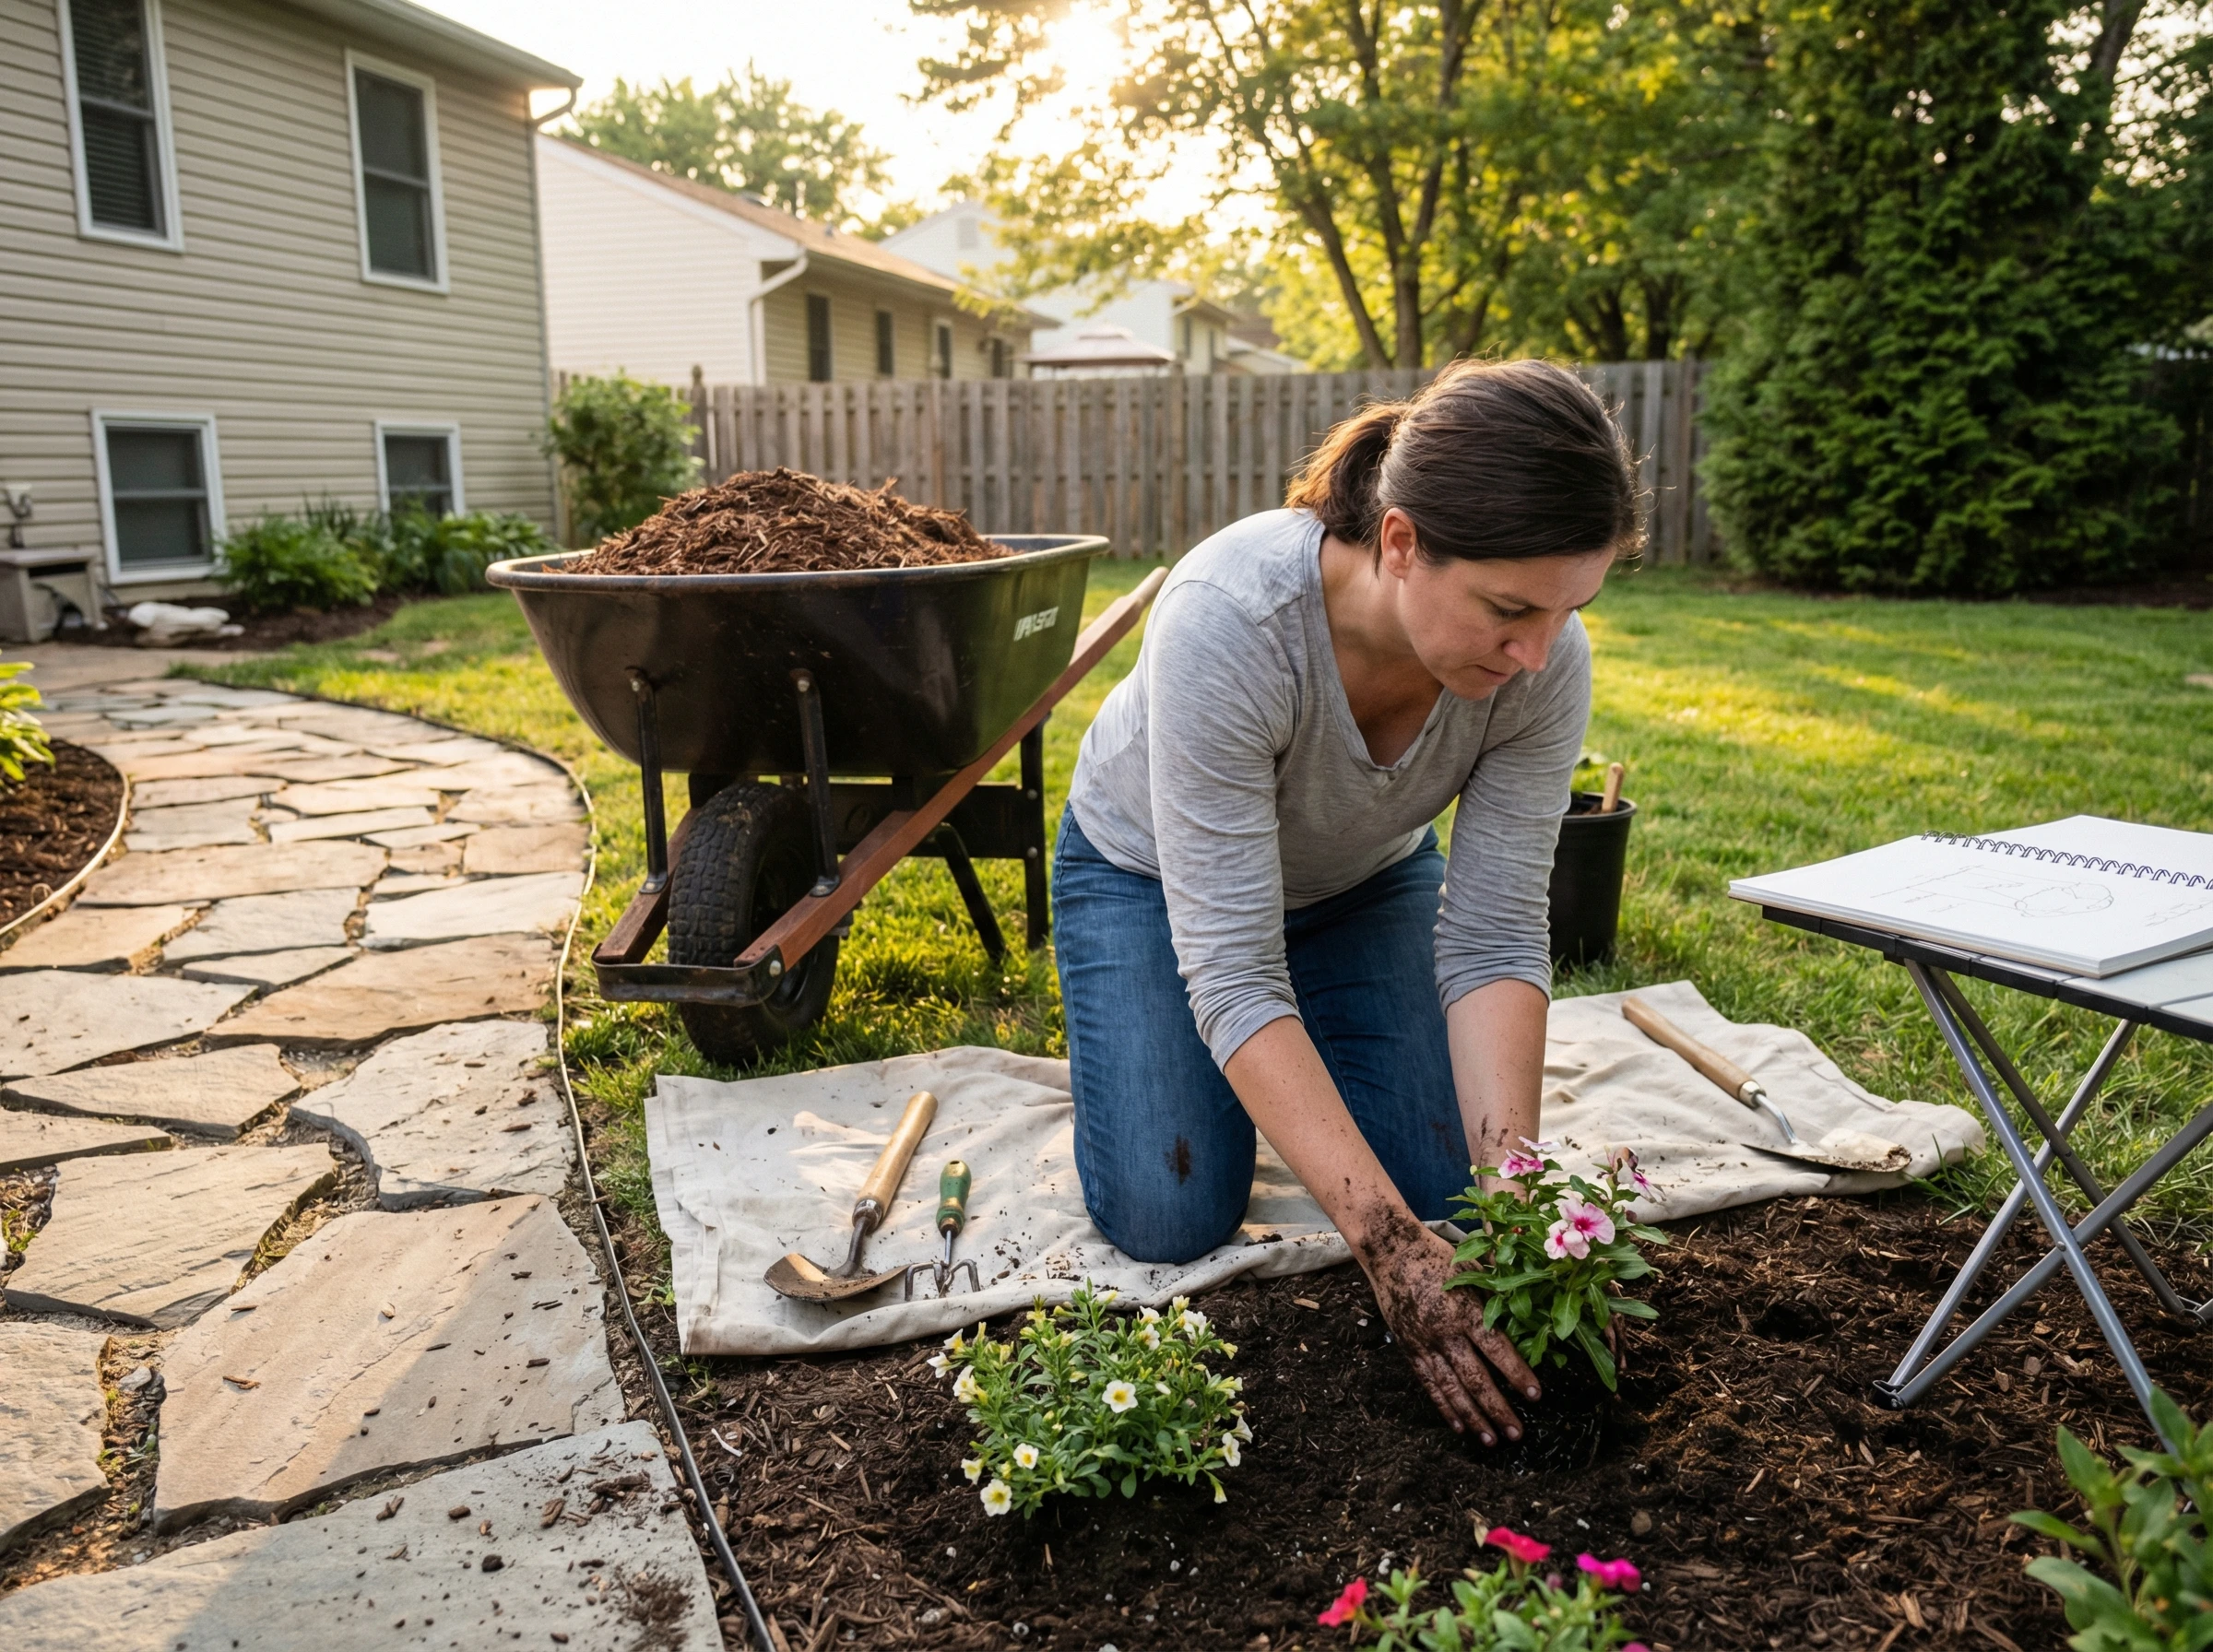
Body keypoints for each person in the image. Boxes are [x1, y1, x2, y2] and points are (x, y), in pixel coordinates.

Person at [1054, 358, 1641, 1444]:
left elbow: (1495, 933)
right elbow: (1234, 968)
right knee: (1168, 1212)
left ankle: (1305, 1049)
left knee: (1454, 1193)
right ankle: (1168, 1038)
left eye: (1571, 609)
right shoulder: (1232, 619)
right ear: (1402, 542)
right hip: (1145, 876)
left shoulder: (1545, 662)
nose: (1538, 653)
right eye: (1509, 609)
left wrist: (1515, 1198)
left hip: (1360, 880)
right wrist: (1383, 1242)